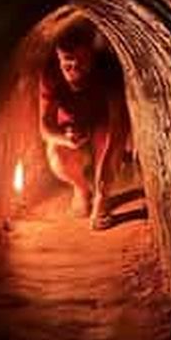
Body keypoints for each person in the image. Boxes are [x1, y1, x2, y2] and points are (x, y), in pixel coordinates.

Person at [38, 21, 129, 230]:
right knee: (57, 152)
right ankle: (81, 189)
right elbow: (44, 126)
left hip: (102, 122)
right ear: (59, 59)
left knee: (107, 142)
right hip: (73, 124)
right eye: (67, 65)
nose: (75, 71)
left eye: (82, 63)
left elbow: (118, 127)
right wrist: (64, 139)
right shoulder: (50, 73)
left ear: (92, 56)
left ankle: (99, 195)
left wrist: (102, 195)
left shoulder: (107, 69)